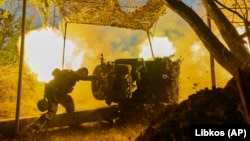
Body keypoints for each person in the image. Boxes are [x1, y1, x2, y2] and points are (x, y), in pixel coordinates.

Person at [21, 67, 88, 137]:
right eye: (82, 73)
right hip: (52, 92)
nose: (82, 75)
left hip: (59, 93)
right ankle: (31, 129)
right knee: (52, 112)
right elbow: (85, 78)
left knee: (69, 102)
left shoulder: (72, 75)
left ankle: (72, 123)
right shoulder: (71, 74)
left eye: (84, 74)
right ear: (79, 71)